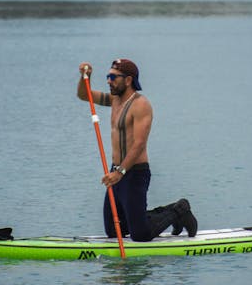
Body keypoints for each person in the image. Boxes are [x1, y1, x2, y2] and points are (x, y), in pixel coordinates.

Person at [77, 58, 198, 241]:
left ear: (128, 80)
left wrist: (120, 172)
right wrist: (85, 76)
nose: (109, 81)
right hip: (116, 172)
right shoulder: (115, 99)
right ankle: (154, 215)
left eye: (113, 77)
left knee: (140, 235)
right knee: (114, 230)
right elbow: (84, 95)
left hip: (134, 174)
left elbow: (139, 144)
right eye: (108, 76)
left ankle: (180, 210)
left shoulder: (141, 105)